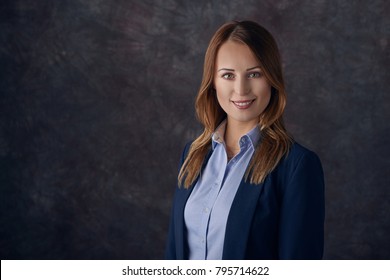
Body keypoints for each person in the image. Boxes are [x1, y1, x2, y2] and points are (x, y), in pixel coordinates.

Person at [165, 20, 325, 260]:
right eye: (228, 75)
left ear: (271, 79)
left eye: (254, 74)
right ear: (213, 82)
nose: (241, 89)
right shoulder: (193, 155)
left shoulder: (297, 166)